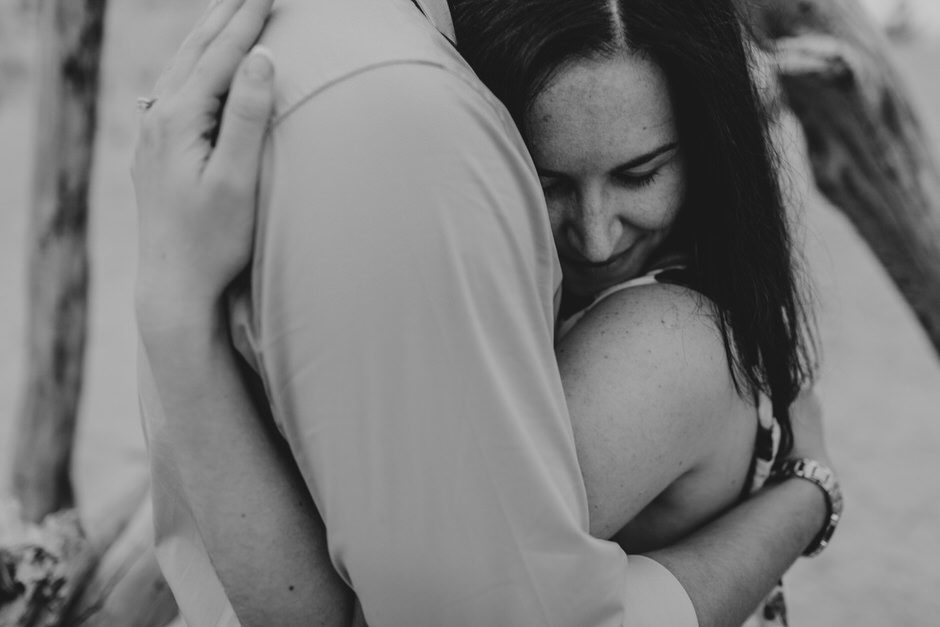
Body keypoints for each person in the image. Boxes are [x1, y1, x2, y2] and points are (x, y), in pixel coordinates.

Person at [133, 0, 837, 625]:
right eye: (547, 179)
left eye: (639, 172)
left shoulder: (663, 343)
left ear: (711, 147)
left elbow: (382, 599)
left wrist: (181, 306)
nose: (596, 234)